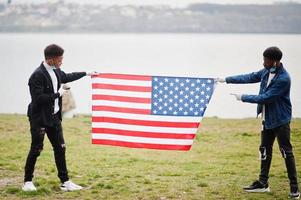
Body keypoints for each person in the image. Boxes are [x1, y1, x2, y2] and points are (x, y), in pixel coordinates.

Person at [216, 46, 300, 199]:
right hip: (266, 119)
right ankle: (263, 184)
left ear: (275, 62)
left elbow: (266, 97)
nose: (263, 63)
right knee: (264, 150)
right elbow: (249, 76)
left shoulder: (283, 79)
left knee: (286, 152)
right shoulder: (266, 72)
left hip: (280, 120)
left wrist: (243, 97)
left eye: (266, 60)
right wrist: (226, 80)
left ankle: (294, 188)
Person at [23, 44, 96, 192]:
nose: (61, 61)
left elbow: (66, 76)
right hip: (39, 118)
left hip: (54, 118)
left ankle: (65, 182)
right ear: (50, 60)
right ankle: (27, 182)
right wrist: (59, 94)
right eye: (60, 59)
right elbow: (38, 99)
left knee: (60, 148)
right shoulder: (37, 75)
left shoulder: (56, 71)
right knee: (36, 149)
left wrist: (87, 73)